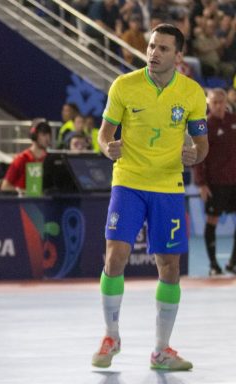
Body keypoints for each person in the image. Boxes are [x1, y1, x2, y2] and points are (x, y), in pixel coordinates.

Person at [92, 24, 208, 371]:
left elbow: (201, 144)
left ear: (178, 56)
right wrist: (107, 148)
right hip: (128, 181)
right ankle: (111, 335)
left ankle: (161, 351)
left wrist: (195, 155)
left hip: (168, 186)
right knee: (115, 257)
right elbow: (103, 135)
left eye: (163, 48)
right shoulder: (124, 86)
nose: (154, 53)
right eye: (152, 46)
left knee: (169, 267)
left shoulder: (191, 93)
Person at [193, 88, 236, 275]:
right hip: (215, 184)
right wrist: (202, 184)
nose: (218, 105)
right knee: (212, 221)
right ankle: (213, 265)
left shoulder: (234, 121)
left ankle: (232, 263)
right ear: (208, 103)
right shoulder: (204, 126)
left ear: (226, 101)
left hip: (234, 182)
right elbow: (198, 157)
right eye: (214, 102)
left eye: (221, 101)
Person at [0, 120, 52, 194]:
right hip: (25, 203)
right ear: (34, 136)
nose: (47, 138)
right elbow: (5, 187)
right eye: (43, 134)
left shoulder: (50, 159)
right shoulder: (22, 159)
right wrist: (26, 192)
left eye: (49, 134)